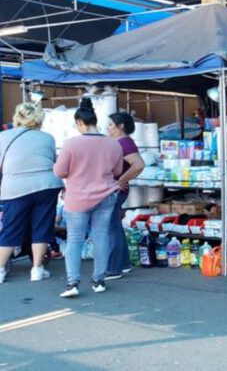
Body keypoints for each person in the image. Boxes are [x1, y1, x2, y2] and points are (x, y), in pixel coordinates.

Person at [54, 98, 123, 298]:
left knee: (75, 239)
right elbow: (117, 171)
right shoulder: (113, 144)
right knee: (101, 236)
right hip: (106, 196)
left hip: (78, 198)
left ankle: (72, 283)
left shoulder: (71, 144)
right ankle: (99, 280)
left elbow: (59, 172)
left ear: (80, 123)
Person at [0, 103, 64, 284]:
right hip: (46, 186)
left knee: (10, 227)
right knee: (42, 226)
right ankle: (37, 269)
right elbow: (53, 161)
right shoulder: (47, 138)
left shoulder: (3, 137)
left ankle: (0, 270)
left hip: (15, 188)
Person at [104, 112, 145, 280]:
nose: (108, 128)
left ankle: (114, 268)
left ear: (121, 126)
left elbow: (139, 164)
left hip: (116, 189)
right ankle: (124, 264)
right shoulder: (120, 142)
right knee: (115, 227)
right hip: (117, 189)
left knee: (111, 228)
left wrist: (121, 180)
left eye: (111, 125)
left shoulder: (125, 143)